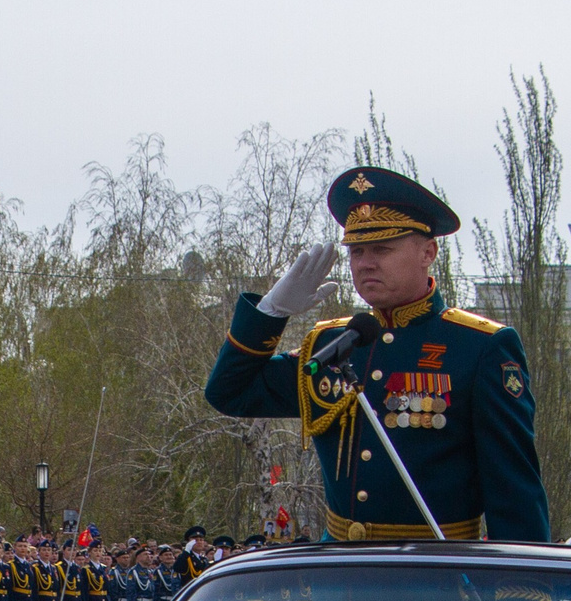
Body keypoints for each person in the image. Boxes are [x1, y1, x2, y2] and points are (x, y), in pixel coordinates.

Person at [205, 166, 549, 544]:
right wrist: (270, 313)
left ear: (428, 252)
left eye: (382, 249)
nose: (366, 262)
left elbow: (514, 492)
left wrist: (519, 596)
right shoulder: (331, 344)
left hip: (435, 576)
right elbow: (230, 391)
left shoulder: (479, 347)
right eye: (357, 251)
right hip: (340, 575)